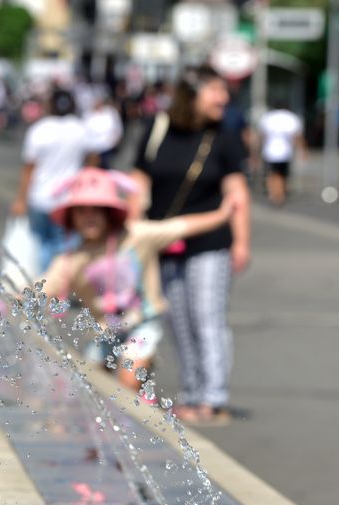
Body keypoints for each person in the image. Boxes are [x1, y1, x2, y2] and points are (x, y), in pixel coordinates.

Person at [40, 167, 237, 394]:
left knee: (129, 378)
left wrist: (222, 215)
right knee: (90, 385)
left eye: (97, 209)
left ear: (110, 212)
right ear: (71, 217)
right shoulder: (72, 260)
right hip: (105, 328)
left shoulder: (136, 236)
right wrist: (11, 298)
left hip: (142, 320)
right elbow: (42, 286)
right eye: (81, 211)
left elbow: (179, 226)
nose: (89, 216)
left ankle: (137, 393)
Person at [130, 65, 251, 427]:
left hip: (210, 240)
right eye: (215, 90)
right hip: (165, 241)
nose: (223, 98)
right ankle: (192, 393)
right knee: (179, 319)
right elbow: (139, 178)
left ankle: (214, 398)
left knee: (207, 316)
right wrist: (135, 219)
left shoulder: (224, 136)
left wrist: (242, 241)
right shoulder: (158, 128)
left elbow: (237, 193)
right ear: (191, 93)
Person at [11, 87, 93, 274]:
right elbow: (93, 157)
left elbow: (28, 169)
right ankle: (59, 286)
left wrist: (20, 199)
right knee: (64, 244)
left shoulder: (39, 130)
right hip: (67, 198)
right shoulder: (80, 129)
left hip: (39, 196)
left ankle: (46, 285)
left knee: (42, 242)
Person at [256, 101, 305, 207]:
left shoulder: (268, 117)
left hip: (269, 151)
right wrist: (302, 149)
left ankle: (274, 193)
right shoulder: (291, 118)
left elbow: (262, 136)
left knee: (272, 173)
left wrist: (257, 150)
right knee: (282, 174)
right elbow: (297, 136)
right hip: (285, 152)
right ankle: (279, 194)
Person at [83, 93, 123, 169]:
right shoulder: (87, 115)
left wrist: (115, 141)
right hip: (93, 151)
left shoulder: (111, 112)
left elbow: (118, 128)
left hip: (107, 149)